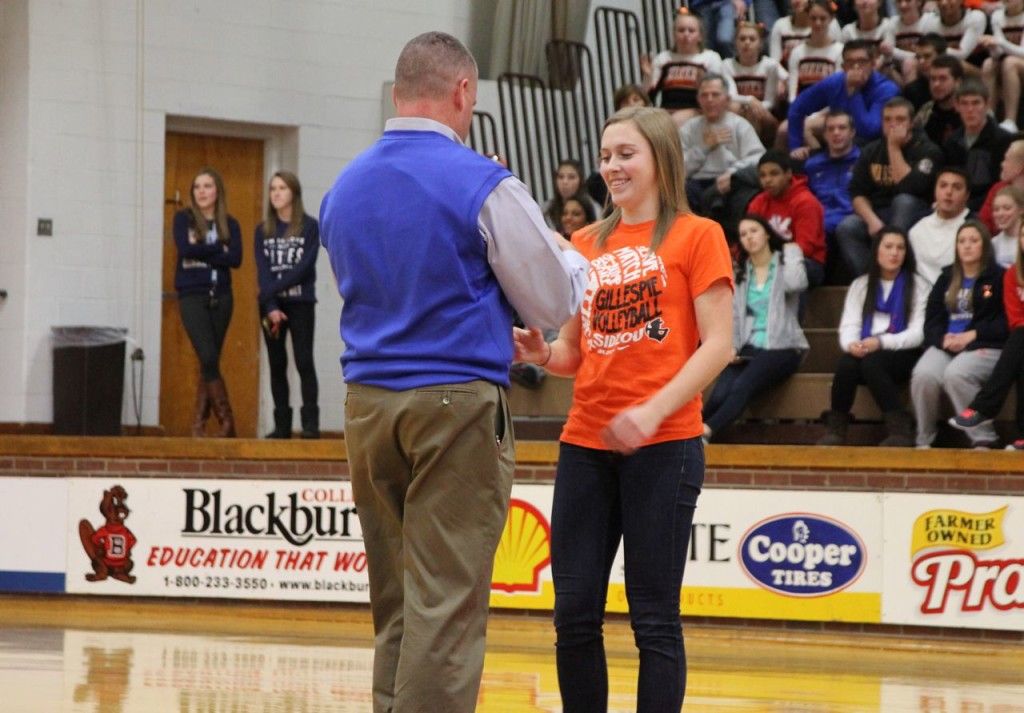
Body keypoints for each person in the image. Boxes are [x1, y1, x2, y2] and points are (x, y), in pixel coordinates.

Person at [318, 32, 588, 713]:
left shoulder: (342, 186)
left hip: (367, 403)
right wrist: (569, 254)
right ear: (464, 91)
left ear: (399, 92)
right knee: (445, 608)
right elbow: (553, 302)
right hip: (454, 401)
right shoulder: (480, 182)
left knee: (398, 602)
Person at [514, 105, 734, 713]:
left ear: (660, 159)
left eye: (625, 154)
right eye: (606, 155)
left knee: (654, 619)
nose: (611, 166)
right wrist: (542, 352)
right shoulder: (585, 243)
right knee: (573, 613)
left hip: (666, 447)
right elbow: (574, 351)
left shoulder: (698, 235)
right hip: (585, 443)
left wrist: (653, 411)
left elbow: (719, 345)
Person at [818, 227, 927, 446]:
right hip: (867, 349)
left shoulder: (918, 285)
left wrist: (881, 342)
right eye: (888, 247)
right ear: (877, 251)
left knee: (872, 363)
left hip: (904, 352)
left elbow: (919, 333)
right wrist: (852, 345)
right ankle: (836, 429)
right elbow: (849, 325)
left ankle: (900, 430)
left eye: (900, 248)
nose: (894, 253)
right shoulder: (861, 285)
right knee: (847, 364)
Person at [703, 215, 808, 441]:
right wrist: (732, 347)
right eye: (743, 234)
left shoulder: (785, 263)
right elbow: (735, 317)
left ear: (767, 233)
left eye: (754, 231)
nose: (749, 237)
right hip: (749, 347)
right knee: (719, 394)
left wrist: (792, 250)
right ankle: (689, 434)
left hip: (782, 346)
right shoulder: (741, 274)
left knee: (742, 384)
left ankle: (707, 430)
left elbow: (796, 283)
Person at [911, 220, 1008, 448]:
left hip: (985, 344)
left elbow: (1005, 322)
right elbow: (931, 319)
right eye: (962, 241)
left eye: (973, 241)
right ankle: (925, 439)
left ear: (985, 245)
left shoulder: (998, 277)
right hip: (948, 343)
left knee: (956, 374)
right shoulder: (946, 277)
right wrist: (941, 338)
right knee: (923, 375)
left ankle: (984, 437)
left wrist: (974, 334)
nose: (967, 245)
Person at [837, 96, 943, 276]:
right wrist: (872, 220)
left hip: (916, 214)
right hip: (879, 212)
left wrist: (893, 147)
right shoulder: (871, 151)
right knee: (847, 227)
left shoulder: (927, 150)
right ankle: (871, 279)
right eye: (887, 119)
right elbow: (857, 192)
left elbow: (910, 187)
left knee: (903, 201)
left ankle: (897, 274)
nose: (893, 125)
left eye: (900, 119)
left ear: (911, 123)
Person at [172, 167, 242, 438]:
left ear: (217, 191)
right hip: (192, 295)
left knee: (208, 361)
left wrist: (204, 252)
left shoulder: (230, 224)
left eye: (207, 186)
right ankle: (227, 420)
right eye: (197, 187)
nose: (201, 191)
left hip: (221, 297)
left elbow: (235, 259)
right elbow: (186, 249)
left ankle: (199, 424)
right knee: (209, 356)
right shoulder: (183, 219)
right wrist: (217, 249)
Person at [254, 171, 320, 439]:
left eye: (282, 188)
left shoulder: (310, 226)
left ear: (294, 192)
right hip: (271, 308)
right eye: (273, 189)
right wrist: (270, 305)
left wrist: (267, 292)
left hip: (300, 302)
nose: (276, 193)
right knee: (277, 363)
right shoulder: (262, 231)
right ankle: (281, 425)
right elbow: (263, 271)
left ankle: (310, 425)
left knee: (304, 360)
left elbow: (303, 269)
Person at [949, 219, 1024, 450]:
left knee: (1020, 341)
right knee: (1021, 347)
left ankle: (984, 408)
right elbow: (1015, 319)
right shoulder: (1012, 275)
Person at [788, 40, 900, 155]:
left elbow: (869, 132)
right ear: (843, 67)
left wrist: (854, 91)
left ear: (873, 64)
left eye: (862, 62)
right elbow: (797, 108)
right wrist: (796, 147)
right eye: (850, 63)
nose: (856, 67)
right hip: (839, 143)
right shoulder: (835, 82)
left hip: (873, 149)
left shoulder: (887, 89)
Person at [680, 74, 765, 216]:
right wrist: (703, 148)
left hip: (729, 180)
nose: (709, 100)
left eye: (715, 94)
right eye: (704, 95)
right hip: (697, 182)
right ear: (698, 99)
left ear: (727, 99)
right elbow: (678, 167)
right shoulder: (689, 127)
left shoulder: (739, 125)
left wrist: (733, 172)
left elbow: (758, 157)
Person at [748, 149, 828, 286]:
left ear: (788, 174)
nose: (767, 180)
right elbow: (747, 237)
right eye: (762, 175)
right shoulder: (758, 202)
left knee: (786, 271)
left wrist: (769, 260)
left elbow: (805, 248)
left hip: (807, 263)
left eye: (774, 174)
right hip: (769, 260)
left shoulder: (806, 202)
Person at [643, 8, 733, 126]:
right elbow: (649, 97)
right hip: (666, 112)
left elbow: (718, 92)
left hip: (698, 111)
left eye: (691, 31)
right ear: (674, 35)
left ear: (700, 36)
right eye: (681, 30)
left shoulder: (710, 57)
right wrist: (648, 77)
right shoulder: (663, 58)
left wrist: (701, 83)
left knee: (675, 120)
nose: (686, 34)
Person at [944, 80, 1015, 213]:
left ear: (987, 105)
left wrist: (967, 206)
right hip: (956, 204)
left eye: (976, 103)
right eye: (964, 103)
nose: (970, 109)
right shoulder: (952, 142)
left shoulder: (1003, 140)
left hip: (990, 207)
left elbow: (1001, 184)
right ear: (957, 106)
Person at [805, 109, 861, 272]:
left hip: (851, 219)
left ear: (852, 132)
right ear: (824, 135)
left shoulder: (863, 161)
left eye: (842, 128)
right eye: (831, 129)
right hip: (820, 221)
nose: (836, 133)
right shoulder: (812, 165)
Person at [725, 20, 789, 146]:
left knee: (752, 112)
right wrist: (749, 100)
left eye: (752, 39)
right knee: (733, 107)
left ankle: (752, 151)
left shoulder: (770, 65)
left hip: (767, 116)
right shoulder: (727, 65)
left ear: (760, 43)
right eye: (742, 39)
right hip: (741, 111)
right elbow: (731, 96)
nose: (747, 43)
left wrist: (753, 106)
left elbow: (770, 102)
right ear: (735, 42)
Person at [909, 167, 973, 285]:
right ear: (935, 190)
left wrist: (986, 293)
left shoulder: (975, 227)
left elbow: (985, 279)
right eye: (943, 186)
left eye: (957, 187)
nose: (949, 192)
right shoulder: (917, 224)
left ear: (967, 195)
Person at [978, 0, 1024, 133]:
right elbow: (999, 52)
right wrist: (991, 46)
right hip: (1009, 60)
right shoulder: (997, 16)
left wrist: (1000, 42)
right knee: (988, 64)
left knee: (1010, 62)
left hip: (1018, 61)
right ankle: (988, 117)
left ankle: (1010, 120)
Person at [786, 0, 846, 102]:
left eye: (823, 18)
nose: (818, 23)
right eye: (813, 18)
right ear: (808, 18)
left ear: (831, 19)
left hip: (830, 108)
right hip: (802, 107)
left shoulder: (840, 51)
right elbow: (792, 94)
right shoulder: (797, 52)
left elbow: (838, 91)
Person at [770, 0, 843, 70]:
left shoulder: (830, 24)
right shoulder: (780, 25)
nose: (797, 1)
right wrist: (788, 77)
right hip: (787, 75)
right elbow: (775, 62)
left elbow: (839, 56)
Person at [912, 54, 965, 146]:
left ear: (958, 82)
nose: (936, 84)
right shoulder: (926, 111)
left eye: (943, 79)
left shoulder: (970, 111)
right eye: (933, 79)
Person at [979, 139, 1024, 234]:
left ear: (1020, 167)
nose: (1002, 164)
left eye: (1006, 160)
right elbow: (983, 226)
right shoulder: (998, 189)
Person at [546, 159, 600, 230]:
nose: (565, 182)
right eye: (561, 177)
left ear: (580, 180)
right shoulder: (547, 209)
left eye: (571, 177)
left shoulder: (593, 207)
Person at [902, 33, 948, 111]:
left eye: (927, 56)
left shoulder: (959, 86)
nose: (921, 61)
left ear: (942, 56)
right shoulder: (912, 91)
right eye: (918, 57)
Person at [989, 185, 1024, 268]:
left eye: (1007, 208)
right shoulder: (993, 243)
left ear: (1021, 210)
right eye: (996, 209)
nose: (1000, 214)